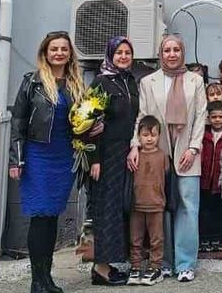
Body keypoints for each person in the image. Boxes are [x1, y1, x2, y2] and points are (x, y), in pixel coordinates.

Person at [9, 32, 87, 293]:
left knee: (52, 216)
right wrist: (16, 159)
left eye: (64, 49)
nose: (59, 53)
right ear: (45, 52)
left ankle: (47, 279)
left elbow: (82, 122)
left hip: (64, 157)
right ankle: (36, 280)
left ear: (69, 54)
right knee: (40, 217)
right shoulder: (32, 82)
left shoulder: (76, 83)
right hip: (38, 156)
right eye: (54, 49)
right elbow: (18, 122)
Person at [129, 34, 207, 282]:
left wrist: (193, 149)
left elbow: (201, 116)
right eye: (166, 50)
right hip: (156, 154)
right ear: (160, 54)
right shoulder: (148, 82)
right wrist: (135, 145)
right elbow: (143, 117)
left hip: (186, 152)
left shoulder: (195, 80)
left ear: (182, 52)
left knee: (187, 206)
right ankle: (162, 261)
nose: (171, 54)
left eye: (176, 50)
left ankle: (185, 263)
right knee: (159, 207)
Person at [88, 36, 140, 286]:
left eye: (127, 53)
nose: (123, 57)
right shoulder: (100, 82)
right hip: (106, 154)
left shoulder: (130, 81)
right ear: (110, 55)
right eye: (118, 52)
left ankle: (109, 264)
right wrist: (95, 159)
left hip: (126, 153)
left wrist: (134, 145)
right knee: (105, 209)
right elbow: (89, 125)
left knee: (120, 208)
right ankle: (100, 269)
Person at [129, 116, 168, 285]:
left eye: (153, 135)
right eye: (145, 135)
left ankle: (155, 267)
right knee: (135, 238)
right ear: (138, 136)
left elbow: (167, 177)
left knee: (156, 239)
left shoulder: (163, 156)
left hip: (156, 205)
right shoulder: (133, 156)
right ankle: (135, 267)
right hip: (136, 205)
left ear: (159, 136)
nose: (150, 138)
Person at [199, 101, 222, 255]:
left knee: (220, 211)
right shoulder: (202, 133)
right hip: (204, 180)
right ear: (208, 118)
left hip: (221, 181)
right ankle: (204, 238)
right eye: (214, 117)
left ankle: (218, 238)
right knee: (204, 211)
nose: (217, 120)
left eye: (221, 116)